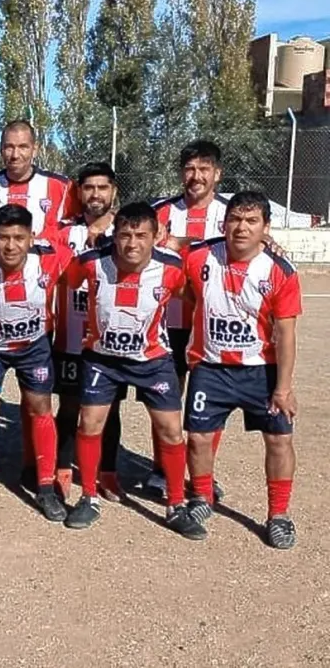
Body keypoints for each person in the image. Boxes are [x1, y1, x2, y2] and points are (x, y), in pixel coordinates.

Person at [62, 202, 204, 539]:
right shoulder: (92, 263)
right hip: (102, 359)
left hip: (152, 360)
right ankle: (89, 498)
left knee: (171, 430)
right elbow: (68, 282)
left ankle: (176, 504)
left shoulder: (171, 267)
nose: (132, 243)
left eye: (141, 235)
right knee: (89, 423)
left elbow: (192, 297)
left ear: (155, 237)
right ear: (114, 235)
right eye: (125, 234)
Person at [181, 192, 301, 549]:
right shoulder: (200, 256)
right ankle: (202, 498)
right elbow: (186, 288)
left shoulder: (279, 271)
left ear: (266, 228)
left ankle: (278, 515)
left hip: (261, 371)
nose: (241, 228)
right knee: (199, 437)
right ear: (224, 222)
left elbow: (285, 332)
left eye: (251, 221)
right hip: (210, 367)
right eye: (235, 219)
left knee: (279, 439)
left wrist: (283, 388)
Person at [0, 204, 73, 521]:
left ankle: (46, 489)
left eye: (19, 237)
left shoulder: (52, 255)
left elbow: (88, 249)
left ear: (31, 237)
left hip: (34, 346)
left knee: (40, 409)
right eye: (3, 237)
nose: (10, 246)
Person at [148, 140, 229, 498]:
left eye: (204, 169)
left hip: (213, 325)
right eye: (190, 169)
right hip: (168, 321)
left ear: (217, 173)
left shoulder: (232, 213)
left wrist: (179, 242)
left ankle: (202, 474)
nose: (196, 176)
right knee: (166, 399)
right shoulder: (161, 211)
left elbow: (251, 242)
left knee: (208, 402)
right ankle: (162, 470)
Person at [50, 162, 124, 502]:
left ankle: (106, 474)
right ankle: (63, 469)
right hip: (69, 332)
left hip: (112, 338)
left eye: (102, 187)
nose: (95, 194)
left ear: (113, 191)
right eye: (89, 188)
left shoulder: (128, 233)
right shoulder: (63, 233)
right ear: (79, 193)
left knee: (109, 410)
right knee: (68, 406)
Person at [0, 120, 78, 235]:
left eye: (23, 147)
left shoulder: (63, 187)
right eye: (9, 147)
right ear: (1, 149)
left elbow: (90, 216)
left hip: (46, 253)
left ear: (34, 150)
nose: (15, 155)